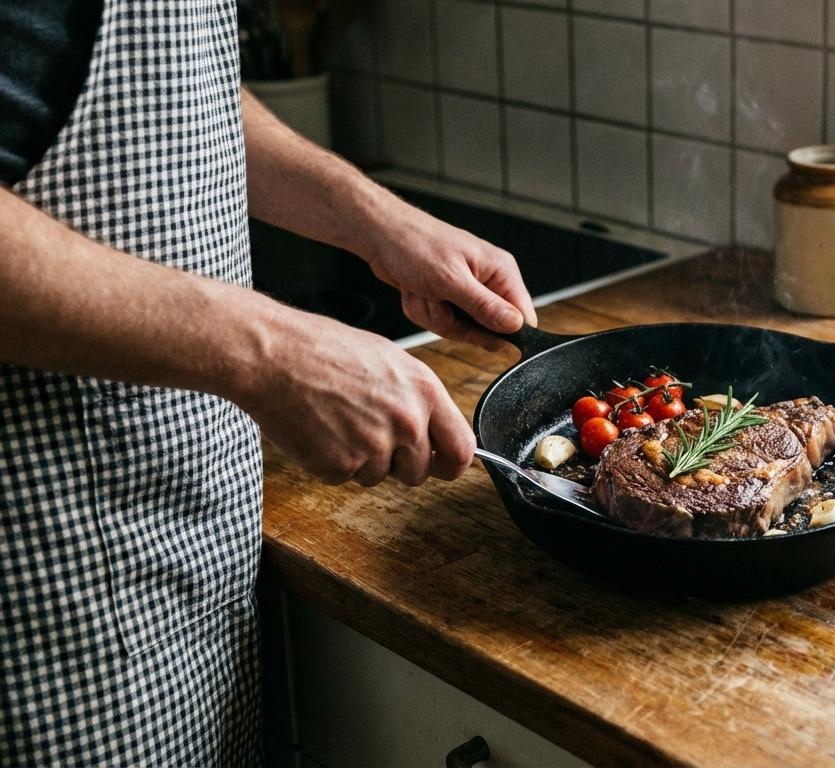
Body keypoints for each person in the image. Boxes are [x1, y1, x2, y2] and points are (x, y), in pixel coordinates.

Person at [0, 1, 535, 763]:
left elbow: (169, 85)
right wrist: (268, 350)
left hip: (185, 519)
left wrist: (373, 218)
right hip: (45, 563)